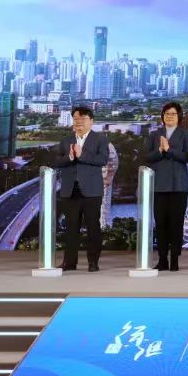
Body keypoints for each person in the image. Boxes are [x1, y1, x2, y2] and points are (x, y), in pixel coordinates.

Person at [51, 106, 109, 272]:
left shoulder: (100, 139)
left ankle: (93, 262)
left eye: (82, 119)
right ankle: (69, 262)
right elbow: (57, 161)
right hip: (70, 190)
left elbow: (102, 160)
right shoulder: (66, 140)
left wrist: (82, 154)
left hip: (92, 191)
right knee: (71, 228)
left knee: (93, 228)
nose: (78, 122)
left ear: (91, 121)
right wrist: (70, 157)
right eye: (76, 119)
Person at [143, 102, 188, 271]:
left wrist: (168, 150)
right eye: (166, 114)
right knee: (161, 223)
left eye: (173, 114)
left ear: (179, 116)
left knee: (176, 223)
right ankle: (162, 259)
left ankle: (175, 260)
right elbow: (147, 157)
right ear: (162, 116)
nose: (169, 116)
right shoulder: (154, 134)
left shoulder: (185, 134)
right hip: (159, 185)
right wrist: (160, 151)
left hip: (179, 185)